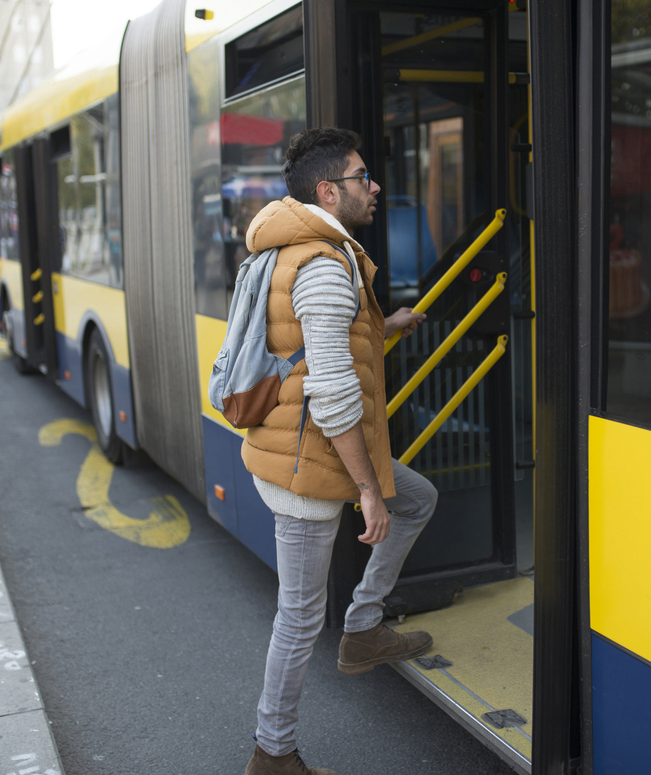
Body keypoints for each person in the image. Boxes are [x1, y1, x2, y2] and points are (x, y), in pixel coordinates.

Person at [241, 127, 435, 775]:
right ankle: (273, 754)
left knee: (421, 499)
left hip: (298, 448)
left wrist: (388, 323)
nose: (374, 187)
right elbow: (329, 390)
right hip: (309, 466)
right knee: (297, 619)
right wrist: (368, 489)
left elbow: (327, 347)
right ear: (330, 191)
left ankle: (363, 626)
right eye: (362, 177)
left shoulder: (305, 249)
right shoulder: (324, 264)